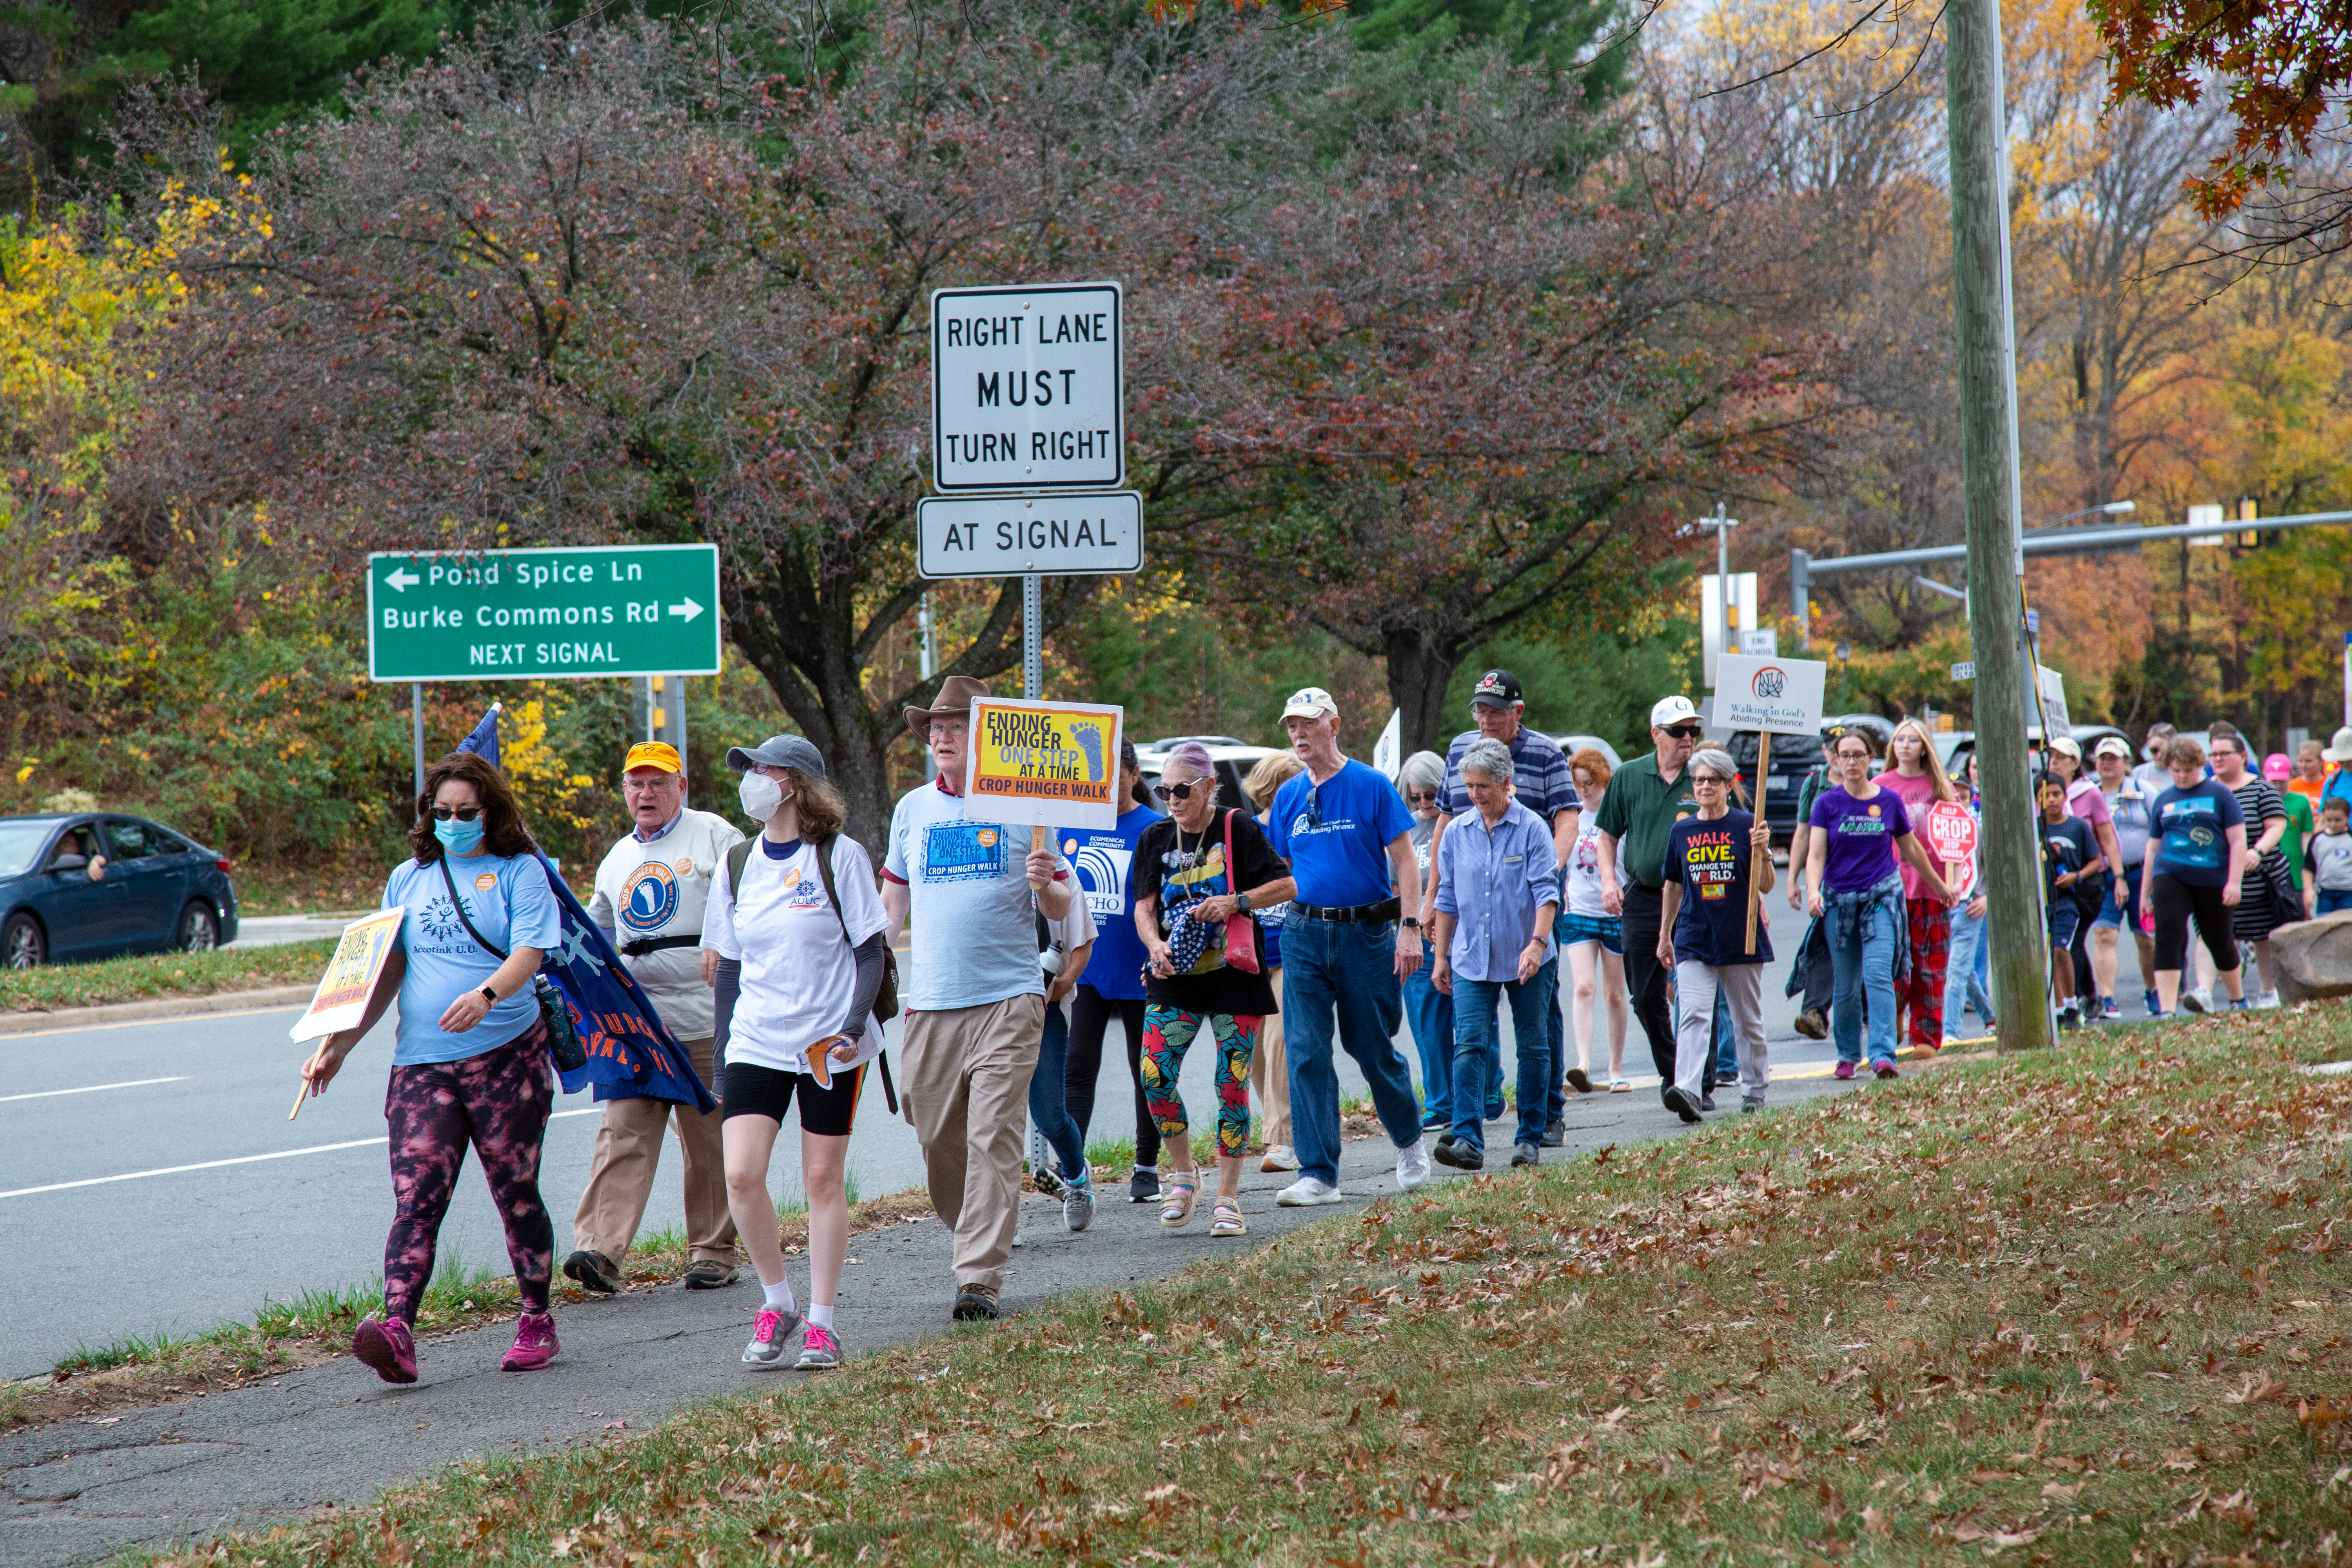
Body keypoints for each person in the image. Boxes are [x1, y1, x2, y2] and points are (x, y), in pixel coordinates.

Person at [303, 752, 564, 1384]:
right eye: (441, 812)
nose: (452, 822)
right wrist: (339, 1043)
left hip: (507, 1058)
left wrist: (486, 997)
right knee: (416, 1199)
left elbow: (531, 949)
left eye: (465, 813)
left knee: (516, 1192)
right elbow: (387, 968)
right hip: (422, 1064)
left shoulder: (520, 871)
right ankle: (397, 1327)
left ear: (490, 812)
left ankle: (536, 1318)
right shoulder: (409, 878)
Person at [880, 676, 1073, 1323]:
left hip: (1009, 998)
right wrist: (862, 960)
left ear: (987, 736)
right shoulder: (911, 811)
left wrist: (1047, 887)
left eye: (956, 726)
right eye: (934, 727)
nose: (940, 736)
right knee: (935, 1134)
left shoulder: (1029, 806)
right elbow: (893, 902)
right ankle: (972, 1230)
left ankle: (979, 1277)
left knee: (994, 1135)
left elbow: (1062, 907)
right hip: (931, 1002)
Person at [705, 736, 889, 1372]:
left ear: (796, 783)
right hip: (757, 1038)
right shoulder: (736, 863)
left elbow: (871, 953)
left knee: (820, 1179)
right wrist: (722, 1053)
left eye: (763, 769)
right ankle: (777, 1301)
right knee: (741, 1174)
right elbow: (729, 966)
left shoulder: (840, 857)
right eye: (748, 769)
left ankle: (822, 1322)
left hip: (827, 1041)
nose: (752, 779)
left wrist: (853, 1024)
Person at [566, 742, 745, 1297]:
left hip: (705, 1017)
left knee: (709, 1140)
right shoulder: (617, 858)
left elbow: (753, 902)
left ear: (682, 787)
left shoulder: (717, 835)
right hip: (638, 1027)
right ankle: (599, 1249)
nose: (646, 794)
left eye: (658, 783)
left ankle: (714, 1253)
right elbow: (589, 934)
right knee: (622, 1130)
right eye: (636, 784)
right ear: (624, 790)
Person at [1264, 686, 1432, 1206]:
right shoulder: (1289, 796)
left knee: (1372, 1048)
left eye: (1308, 725)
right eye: (1292, 727)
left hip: (1366, 934)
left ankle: (1408, 1141)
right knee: (1307, 1050)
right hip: (1303, 935)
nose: (1299, 735)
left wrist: (1410, 928)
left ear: (1333, 726)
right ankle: (1319, 1173)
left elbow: (1405, 861)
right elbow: (1280, 870)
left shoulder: (1371, 785)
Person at [1133, 742, 1293, 1236]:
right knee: (1154, 1075)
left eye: (1181, 790)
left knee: (1232, 1083)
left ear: (1208, 787)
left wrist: (1236, 901)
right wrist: (1155, 944)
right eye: (1163, 790)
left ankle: (1228, 1197)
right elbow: (1143, 909)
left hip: (1233, 976)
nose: (1172, 799)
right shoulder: (1156, 836)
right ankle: (1185, 1175)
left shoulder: (1236, 827)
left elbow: (1287, 885)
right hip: (1176, 977)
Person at [1421, 670, 1579, 1143]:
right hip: (1473, 891)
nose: (1485, 719)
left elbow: (1567, 819)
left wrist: (1549, 871)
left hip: (1532, 896)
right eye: (1479, 710)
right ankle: (1471, 1126)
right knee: (1471, 1026)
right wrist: (1431, 900)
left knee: (1539, 1016)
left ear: (1518, 712)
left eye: (1495, 710)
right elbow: (1447, 821)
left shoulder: (1547, 754)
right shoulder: (1461, 751)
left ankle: (1548, 1113)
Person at [1428, 738, 1559, 1170]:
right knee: (1468, 1045)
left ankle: (1530, 1138)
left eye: (1484, 786)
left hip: (1527, 954)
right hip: (1471, 958)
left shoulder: (1533, 829)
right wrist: (1442, 957)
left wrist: (1537, 945)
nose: (1476, 795)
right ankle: (1467, 1138)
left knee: (1533, 1047)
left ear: (1507, 783)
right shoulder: (1456, 833)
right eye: (1469, 786)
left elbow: (1546, 893)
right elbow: (1447, 899)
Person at [1802, 727, 1955, 1080]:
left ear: (1871, 758)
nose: (1852, 762)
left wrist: (1939, 885)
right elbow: (1816, 855)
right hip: (1839, 903)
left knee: (1877, 976)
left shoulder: (1887, 801)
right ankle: (1847, 1054)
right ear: (1835, 760)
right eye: (1845, 756)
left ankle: (1884, 1055)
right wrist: (1813, 891)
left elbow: (1912, 849)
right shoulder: (1827, 804)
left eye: (1859, 755)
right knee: (1846, 985)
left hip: (1881, 901)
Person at [1060, 742, 1166, 1205]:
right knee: (1078, 1066)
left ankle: (1146, 1167)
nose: (1103, 787)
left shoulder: (1156, 827)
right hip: (1088, 969)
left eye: (1113, 776)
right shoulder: (1072, 823)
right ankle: (1073, 1172)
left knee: (1146, 1070)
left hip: (1140, 968)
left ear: (1133, 774)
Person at [1595, 696, 1704, 1106]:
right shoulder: (1628, 775)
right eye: (1678, 731)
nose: (1688, 738)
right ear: (1656, 734)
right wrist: (1609, 882)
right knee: (1644, 995)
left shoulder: (1703, 775)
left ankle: (1695, 1082)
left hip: (1698, 897)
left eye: (1693, 730)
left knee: (1696, 994)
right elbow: (1607, 835)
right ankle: (1675, 1072)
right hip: (1642, 895)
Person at [1657, 746, 1773, 1121]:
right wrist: (1665, 934)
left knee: (1747, 1021)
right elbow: (1673, 886)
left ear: (1727, 784)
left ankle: (1755, 1090)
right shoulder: (1682, 830)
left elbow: (1767, 886)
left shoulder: (1746, 825)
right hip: (1694, 935)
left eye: (1712, 780)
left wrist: (1765, 852)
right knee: (1692, 1014)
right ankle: (1689, 1091)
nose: (1704, 786)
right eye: (1699, 780)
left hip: (1742, 933)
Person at [2140, 735, 2249, 1017]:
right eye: (2175, 770)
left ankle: (2237, 998)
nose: (2181, 776)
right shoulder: (2164, 800)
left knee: (2219, 939)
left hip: (2213, 877)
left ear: (2199, 766)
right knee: (2169, 933)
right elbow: (2152, 848)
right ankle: (2167, 1010)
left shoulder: (2220, 795)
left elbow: (2238, 840)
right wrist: (2144, 893)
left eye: (2187, 771)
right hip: (2170, 873)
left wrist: (2234, 882)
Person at [1873, 719, 1961, 1057]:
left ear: (1925, 747)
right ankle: (1892, 1017)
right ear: (1892, 747)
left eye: (1913, 740)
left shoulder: (1940, 787)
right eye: (1900, 740)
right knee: (1893, 962)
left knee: (1930, 965)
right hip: (1891, 888)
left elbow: (1959, 839)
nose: (1906, 745)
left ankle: (1925, 1037)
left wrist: (1952, 884)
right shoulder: (1880, 785)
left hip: (1933, 888)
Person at [1027, 858, 1100, 1231]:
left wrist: (1062, 985)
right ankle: (999, 1216)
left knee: (1051, 1118)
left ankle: (1076, 1177)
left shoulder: (1053, 867)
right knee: (990, 1122)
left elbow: (1083, 941)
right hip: (986, 1007)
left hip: (1044, 1012)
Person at [1242, 751, 1304, 1173]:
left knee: (1279, 1044)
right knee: (1253, 1055)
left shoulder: (1303, 832)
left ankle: (1281, 1140)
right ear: (1271, 787)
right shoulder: (1248, 834)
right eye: (1291, 785)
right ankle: (1283, 1129)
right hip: (1249, 959)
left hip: (1291, 954)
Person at [1560, 748, 1629, 1093]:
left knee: (1615, 994)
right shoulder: (1572, 819)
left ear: (1603, 780)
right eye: (1578, 785)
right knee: (1583, 986)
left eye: (1590, 784)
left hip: (1614, 913)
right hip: (1579, 912)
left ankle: (1615, 1067)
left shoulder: (1618, 817)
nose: (1584, 791)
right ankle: (1583, 1064)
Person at [1396, 750, 1457, 1137]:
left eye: (1432, 795)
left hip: (1453, 934)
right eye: (1416, 797)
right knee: (1427, 1026)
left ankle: (1487, 1092)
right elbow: (1393, 884)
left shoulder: (1456, 825)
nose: (1424, 804)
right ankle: (1440, 1103)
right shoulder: (1408, 831)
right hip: (1416, 938)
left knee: (1472, 1019)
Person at [2045, 736, 2125, 1018]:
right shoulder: (2042, 793)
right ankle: (2088, 995)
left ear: (2076, 763)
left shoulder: (2088, 794)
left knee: (2071, 940)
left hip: (2087, 882)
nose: (2054, 761)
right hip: (2054, 886)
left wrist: (2120, 877)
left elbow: (2107, 839)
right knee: (2069, 942)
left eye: (2061, 757)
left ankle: (2078, 1000)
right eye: (2051, 756)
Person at [2209, 727, 2289, 1007]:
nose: (2218, 759)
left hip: (2258, 875)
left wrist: (2258, 850)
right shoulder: (2207, 789)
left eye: (2224, 753)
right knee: (2212, 932)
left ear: (2242, 756)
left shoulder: (2260, 787)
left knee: (2261, 934)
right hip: (2217, 876)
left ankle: (2268, 991)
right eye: (2214, 754)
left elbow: (2277, 824)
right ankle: (2208, 993)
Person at [2091, 736, 2159, 1018]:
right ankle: (2107, 997)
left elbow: (2161, 827)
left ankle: (2153, 989)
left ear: (2126, 763)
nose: (2108, 764)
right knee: (2105, 934)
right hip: (2104, 877)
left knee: (2145, 937)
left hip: (2141, 874)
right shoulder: (2089, 794)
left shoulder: (2144, 791)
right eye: (2103, 759)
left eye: (2114, 758)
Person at [1782, 731, 1840, 1040]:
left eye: (1845, 751)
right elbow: (1803, 833)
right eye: (1832, 750)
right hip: (1826, 878)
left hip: (1865, 875)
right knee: (1825, 942)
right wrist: (1793, 878)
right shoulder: (1815, 784)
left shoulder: (1873, 781)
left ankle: (1874, 1011)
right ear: (1825, 751)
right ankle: (1814, 1012)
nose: (1839, 757)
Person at [1939, 752, 1996, 1042]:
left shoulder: (1980, 829)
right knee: (1965, 971)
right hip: (1940, 907)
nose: (1957, 802)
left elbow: (1995, 870)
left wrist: (1987, 899)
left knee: (1956, 973)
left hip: (1969, 906)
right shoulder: (1934, 832)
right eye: (1951, 797)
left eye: (1962, 797)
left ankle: (1949, 1033)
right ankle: (1992, 1017)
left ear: (1970, 799)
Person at [2037, 774, 2099, 1029]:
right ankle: (2060, 1008)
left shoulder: (2078, 827)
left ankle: (2073, 1005)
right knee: (2046, 952)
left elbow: (2096, 861)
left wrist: (2077, 876)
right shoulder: (2035, 828)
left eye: (2056, 795)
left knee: (2061, 949)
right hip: (2043, 900)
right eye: (2045, 796)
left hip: (2068, 900)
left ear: (2065, 796)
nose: (2051, 801)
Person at [2304, 796, 2352, 917]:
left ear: (2348, 817)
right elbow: (2308, 867)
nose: (2333, 824)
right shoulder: (2318, 839)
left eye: (2338, 820)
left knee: (2345, 927)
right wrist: (2309, 890)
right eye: (2329, 820)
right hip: (2324, 892)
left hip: (2348, 892)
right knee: (2323, 923)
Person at [2134, 723, 2180, 798]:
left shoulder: (2187, 772)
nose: (2159, 755)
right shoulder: (2138, 773)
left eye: (2164, 751)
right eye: (2154, 750)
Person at [2288, 739, 2330, 813]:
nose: (2303, 765)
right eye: (2300, 761)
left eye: (2308, 761)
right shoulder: (2291, 786)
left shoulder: (2329, 784)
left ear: (2322, 761)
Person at [2322, 728, 2352, 811]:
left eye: (2349, 759)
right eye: (2341, 759)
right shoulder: (2333, 780)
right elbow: (2324, 818)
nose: (2345, 763)